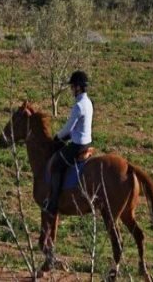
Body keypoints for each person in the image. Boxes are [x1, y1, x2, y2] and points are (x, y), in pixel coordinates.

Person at [44, 70, 93, 216]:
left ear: (78, 87)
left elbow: (68, 128)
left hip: (77, 146)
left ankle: (53, 204)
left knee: (56, 164)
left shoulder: (78, 106)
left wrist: (57, 137)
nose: (71, 89)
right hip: (87, 142)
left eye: (72, 87)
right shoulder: (88, 102)